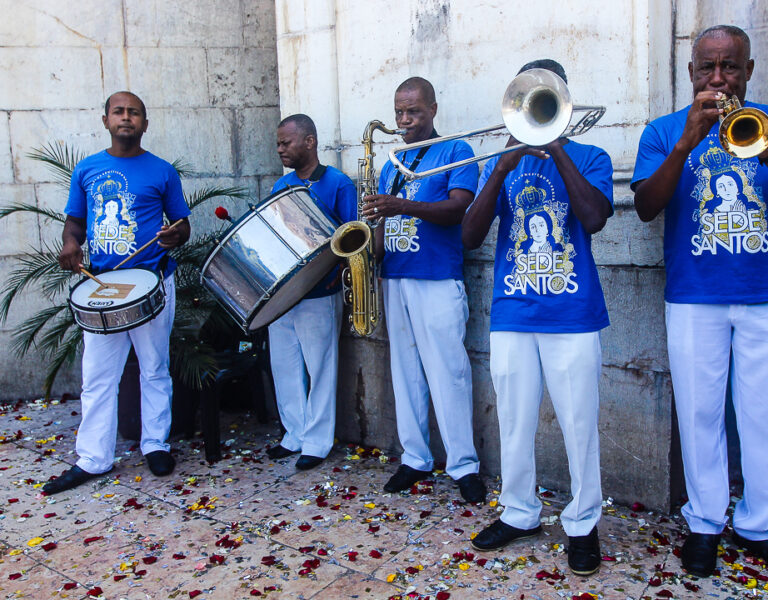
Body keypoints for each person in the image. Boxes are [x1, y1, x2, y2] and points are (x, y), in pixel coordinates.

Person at [463, 60, 613, 576]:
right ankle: (519, 510)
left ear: (563, 101)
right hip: (512, 313)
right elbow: (469, 236)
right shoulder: (501, 164)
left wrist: (555, 148)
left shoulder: (591, 155)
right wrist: (501, 167)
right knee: (514, 421)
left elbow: (593, 217)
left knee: (578, 425)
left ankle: (582, 521)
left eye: (546, 99)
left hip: (572, 314)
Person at [632, 25, 768, 576]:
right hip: (693, 295)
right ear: (690, 74)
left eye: (730, 67)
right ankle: (707, 522)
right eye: (707, 68)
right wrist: (688, 142)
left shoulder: (762, 123)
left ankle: (758, 522)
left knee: (762, 416)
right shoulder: (664, 131)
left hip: (761, 293)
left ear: (748, 71)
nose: (718, 79)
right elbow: (645, 207)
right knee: (700, 411)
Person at [47, 91, 191, 495]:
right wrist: (70, 244)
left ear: (145, 123)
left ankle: (156, 445)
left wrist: (174, 235)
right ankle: (93, 458)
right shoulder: (87, 169)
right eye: (119, 111)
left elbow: (183, 225)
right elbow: (74, 221)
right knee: (97, 376)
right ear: (106, 119)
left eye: (134, 113)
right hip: (104, 287)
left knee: (154, 367)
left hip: (153, 279)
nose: (126, 118)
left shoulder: (162, 171)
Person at [361, 77, 485, 503]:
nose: (404, 119)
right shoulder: (390, 161)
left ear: (433, 108)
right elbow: (383, 221)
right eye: (399, 111)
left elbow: (458, 209)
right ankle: (415, 458)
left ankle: (463, 465)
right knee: (406, 372)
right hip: (395, 277)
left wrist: (401, 206)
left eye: (413, 111)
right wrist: (367, 255)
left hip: (436, 277)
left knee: (449, 372)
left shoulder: (456, 150)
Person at [265, 114, 356, 470]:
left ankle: (317, 442)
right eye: (278, 144)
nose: (280, 149)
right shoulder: (280, 185)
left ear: (309, 142)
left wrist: (339, 278)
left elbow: (351, 240)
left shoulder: (338, 184)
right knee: (284, 365)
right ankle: (294, 435)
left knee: (321, 368)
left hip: (322, 291)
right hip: (281, 293)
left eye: (286, 142)